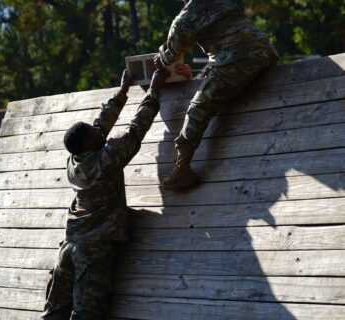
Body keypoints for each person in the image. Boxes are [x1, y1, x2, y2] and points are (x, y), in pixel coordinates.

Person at [41, 67, 170, 320]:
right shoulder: (106, 159)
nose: (100, 131)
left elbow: (99, 125)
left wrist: (123, 92)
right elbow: (136, 130)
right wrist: (154, 90)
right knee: (87, 313)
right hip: (93, 247)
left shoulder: (75, 160)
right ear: (89, 143)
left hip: (69, 244)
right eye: (95, 134)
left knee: (54, 311)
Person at [154, 0, 279, 189]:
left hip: (234, 63)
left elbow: (169, 55)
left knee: (197, 111)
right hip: (266, 52)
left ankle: (182, 170)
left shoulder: (185, 18)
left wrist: (159, 57)